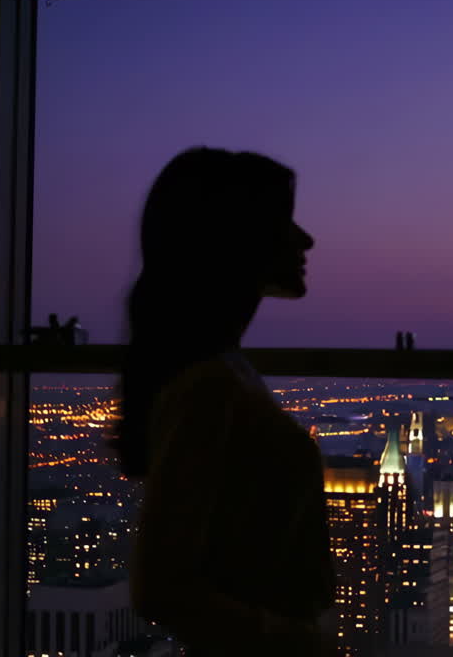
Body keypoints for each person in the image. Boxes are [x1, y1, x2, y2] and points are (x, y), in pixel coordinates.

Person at [115, 147, 335, 655]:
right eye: (285, 220)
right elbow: (159, 588)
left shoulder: (222, 373)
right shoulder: (210, 386)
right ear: (239, 235)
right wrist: (294, 643)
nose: (306, 239)